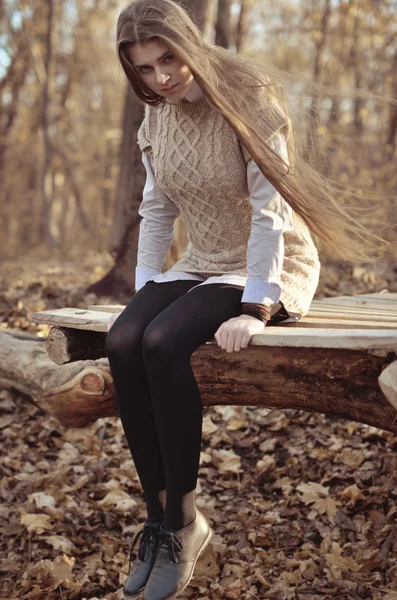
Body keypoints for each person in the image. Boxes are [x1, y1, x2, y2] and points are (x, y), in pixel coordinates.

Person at [105, 1, 384, 599]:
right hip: (202, 260)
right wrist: (146, 288)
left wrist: (257, 307)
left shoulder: (250, 97)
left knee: (162, 340)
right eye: (145, 69)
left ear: (188, 43)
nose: (161, 78)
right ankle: (156, 523)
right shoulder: (155, 118)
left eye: (168, 59)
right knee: (125, 336)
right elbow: (156, 211)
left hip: (269, 262)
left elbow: (270, 212)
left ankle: (182, 523)